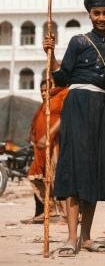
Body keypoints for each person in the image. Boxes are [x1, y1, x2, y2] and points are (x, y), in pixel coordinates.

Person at [43, 0, 105, 256]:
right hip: (77, 106)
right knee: (76, 169)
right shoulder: (79, 41)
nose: (101, 17)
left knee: (94, 170)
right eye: (96, 13)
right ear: (89, 14)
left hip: (102, 107)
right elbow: (63, 78)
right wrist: (51, 55)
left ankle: (87, 237)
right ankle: (70, 238)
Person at [21, 79, 68, 224]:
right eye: (41, 91)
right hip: (41, 149)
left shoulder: (63, 94)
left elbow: (64, 117)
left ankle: (66, 216)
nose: (43, 93)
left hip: (55, 145)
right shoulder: (45, 103)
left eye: (45, 90)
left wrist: (49, 136)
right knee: (38, 178)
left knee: (56, 179)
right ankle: (49, 210)